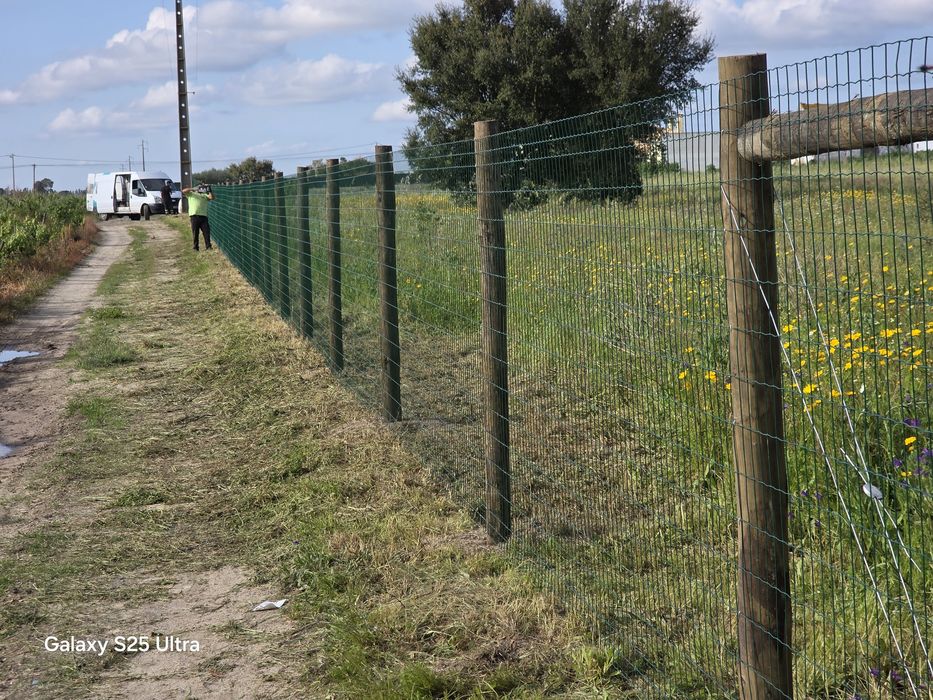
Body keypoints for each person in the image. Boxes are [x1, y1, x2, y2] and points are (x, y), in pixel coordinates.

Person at [181, 184, 215, 251]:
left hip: (204, 216)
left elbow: (212, 198)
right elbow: (183, 191)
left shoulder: (204, 195)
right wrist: (193, 189)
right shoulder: (191, 194)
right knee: (195, 233)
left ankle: (208, 247)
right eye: (200, 188)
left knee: (206, 232)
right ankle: (195, 248)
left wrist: (209, 190)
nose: (200, 189)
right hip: (194, 216)